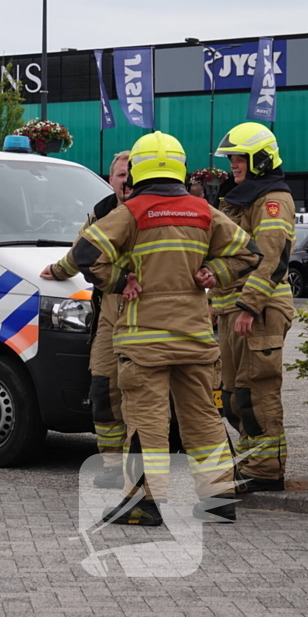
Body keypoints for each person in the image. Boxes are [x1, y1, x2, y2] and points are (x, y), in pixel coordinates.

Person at [66, 131, 261, 526]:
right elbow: (250, 253)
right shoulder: (204, 210)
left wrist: (121, 281)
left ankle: (142, 503)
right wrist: (214, 272)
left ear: (138, 169)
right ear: (180, 166)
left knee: (146, 421)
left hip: (145, 343)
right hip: (194, 338)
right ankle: (219, 499)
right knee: (202, 418)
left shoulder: (133, 210)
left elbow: (86, 253)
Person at [210, 122, 294, 493]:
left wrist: (248, 306)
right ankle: (252, 460)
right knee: (232, 395)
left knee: (255, 390)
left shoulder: (272, 199)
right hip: (234, 310)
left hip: (259, 310)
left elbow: (273, 259)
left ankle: (266, 471)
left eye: (239, 158)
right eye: (231, 159)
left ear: (260, 158)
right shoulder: (242, 196)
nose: (233, 165)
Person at [41, 150, 131, 489]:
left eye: (131, 175)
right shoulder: (103, 211)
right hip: (109, 312)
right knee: (103, 388)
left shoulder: (146, 212)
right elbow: (83, 248)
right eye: (121, 175)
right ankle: (111, 465)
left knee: (139, 395)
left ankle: (138, 470)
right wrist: (59, 270)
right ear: (111, 179)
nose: (127, 181)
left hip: (143, 312)